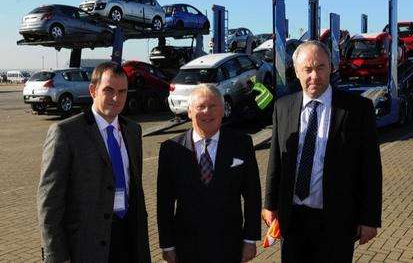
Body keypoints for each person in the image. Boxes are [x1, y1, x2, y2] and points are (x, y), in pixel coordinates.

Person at [262, 40, 382, 262]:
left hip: (337, 219)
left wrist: (370, 218)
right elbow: (276, 161)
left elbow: (371, 168)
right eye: (307, 70)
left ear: (331, 67)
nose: (314, 76)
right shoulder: (283, 107)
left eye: (320, 67)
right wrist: (270, 204)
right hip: (293, 218)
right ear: (296, 72)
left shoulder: (358, 109)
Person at [37, 62, 151, 263]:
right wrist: (56, 254)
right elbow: (49, 202)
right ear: (93, 90)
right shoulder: (66, 133)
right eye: (109, 90)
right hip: (86, 247)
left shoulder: (133, 131)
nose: (116, 98)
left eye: (122, 92)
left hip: (129, 241)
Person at [157, 84, 261, 263]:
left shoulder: (242, 144)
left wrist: (250, 239)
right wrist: (167, 245)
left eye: (213, 106)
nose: (207, 112)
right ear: (189, 112)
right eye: (200, 107)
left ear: (223, 110)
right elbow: (164, 202)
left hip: (230, 246)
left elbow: (253, 196)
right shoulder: (171, 149)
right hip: (186, 247)